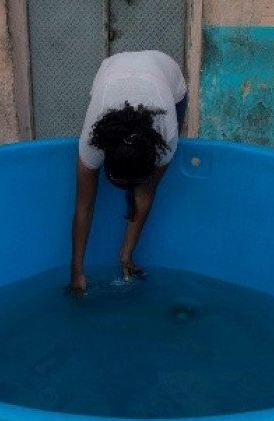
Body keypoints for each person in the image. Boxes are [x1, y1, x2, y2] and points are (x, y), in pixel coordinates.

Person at [70, 50, 187, 293]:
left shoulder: (166, 137)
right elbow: (83, 206)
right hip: (111, 70)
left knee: (144, 190)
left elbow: (146, 192)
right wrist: (76, 271)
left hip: (165, 73)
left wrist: (127, 254)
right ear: (105, 154)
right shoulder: (92, 141)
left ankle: (126, 256)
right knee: (125, 190)